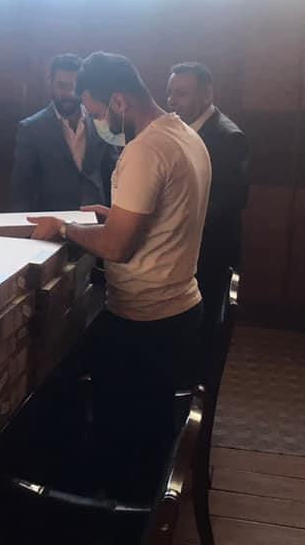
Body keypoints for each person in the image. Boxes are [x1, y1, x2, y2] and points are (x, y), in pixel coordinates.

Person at [29, 51, 211, 500]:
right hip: (179, 308)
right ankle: (141, 503)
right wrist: (116, 215)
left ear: (118, 101)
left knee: (124, 436)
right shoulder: (184, 134)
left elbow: (117, 247)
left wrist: (64, 228)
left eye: (96, 113)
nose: (97, 124)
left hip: (146, 320)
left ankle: (119, 514)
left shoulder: (144, 150)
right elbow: (168, 217)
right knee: (148, 429)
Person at [167, 62, 249, 345]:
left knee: (200, 334)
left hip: (211, 253)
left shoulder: (228, 137)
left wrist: (173, 220)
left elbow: (231, 201)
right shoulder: (177, 130)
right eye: (170, 93)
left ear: (206, 95)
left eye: (181, 93)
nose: (172, 101)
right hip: (183, 250)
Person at [11, 54, 116, 212]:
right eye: (62, 86)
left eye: (74, 86)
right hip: (52, 222)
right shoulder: (31, 129)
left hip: (99, 220)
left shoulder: (102, 122)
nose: (69, 93)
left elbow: (114, 177)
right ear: (50, 83)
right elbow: (22, 192)